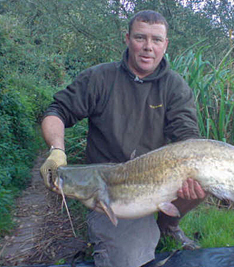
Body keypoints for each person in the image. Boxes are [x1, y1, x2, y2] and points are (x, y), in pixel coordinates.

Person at [40, 10, 206, 267]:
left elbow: (188, 139)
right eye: (140, 38)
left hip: (156, 177)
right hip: (110, 187)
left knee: (202, 182)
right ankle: (123, 228)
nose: (148, 47)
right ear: (127, 39)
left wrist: (193, 173)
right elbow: (56, 112)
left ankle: (167, 224)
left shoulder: (175, 87)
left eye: (156, 40)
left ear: (166, 44)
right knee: (127, 260)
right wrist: (56, 150)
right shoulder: (99, 78)